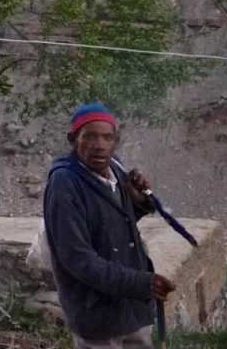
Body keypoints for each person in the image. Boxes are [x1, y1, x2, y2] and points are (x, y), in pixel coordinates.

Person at [43, 103, 175, 349]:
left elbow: (110, 225)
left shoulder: (114, 168)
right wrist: (140, 283)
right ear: (73, 140)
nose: (99, 145)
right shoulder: (65, 184)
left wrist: (137, 201)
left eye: (107, 138)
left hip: (132, 310)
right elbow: (77, 258)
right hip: (97, 315)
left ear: (116, 141)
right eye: (90, 137)